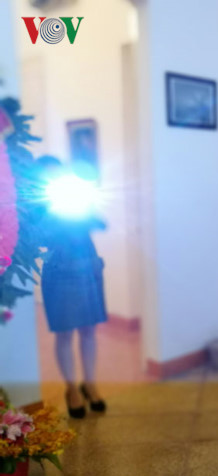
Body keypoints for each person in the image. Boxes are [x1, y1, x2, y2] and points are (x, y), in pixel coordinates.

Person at [37, 156, 108, 419]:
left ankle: (90, 383)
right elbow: (38, 238)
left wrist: (86, 210)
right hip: (60, 270)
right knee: (65, 333)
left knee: (89, 330)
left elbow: (100, 223)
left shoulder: (77, 197)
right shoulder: (37, 204)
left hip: (88, 266)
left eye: (57, 173)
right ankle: (71, 389)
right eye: (48, 175)